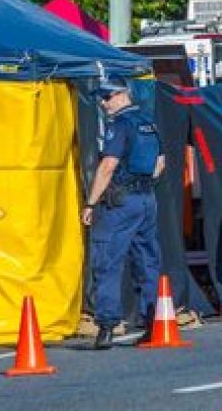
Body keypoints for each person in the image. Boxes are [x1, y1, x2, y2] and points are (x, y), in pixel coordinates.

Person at [81, 76, 165, 349]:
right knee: (147, 261)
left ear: (120, 95)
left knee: (107, 260)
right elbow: (160, 163)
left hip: (121, 200)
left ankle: (106, 326)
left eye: (106, 97)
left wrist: (91, 203)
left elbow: (107, 166)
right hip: (146, 199)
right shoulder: (147, 121)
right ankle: (153, 323)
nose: (103, 103)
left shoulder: (120, 124)